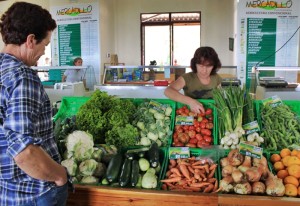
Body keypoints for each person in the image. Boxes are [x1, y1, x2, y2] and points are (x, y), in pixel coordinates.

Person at [0, 2, 69, 206]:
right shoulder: (22, 77)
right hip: (34, 193)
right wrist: (60, 176)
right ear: (31, 40)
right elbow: (24, 151)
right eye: (44, 45)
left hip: (7, 191)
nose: (43, 52)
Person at [164, 46, 222, 114]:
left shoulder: (217, 78)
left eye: (209, 66)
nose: (204, 70)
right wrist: (190, 102)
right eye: (201, 66)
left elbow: (219, 99)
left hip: (210, 115)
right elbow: (168, 91)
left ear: (214, 66)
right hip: (189, 113)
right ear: (195, 64)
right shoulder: (187, 78)